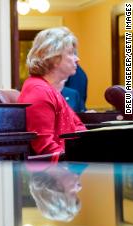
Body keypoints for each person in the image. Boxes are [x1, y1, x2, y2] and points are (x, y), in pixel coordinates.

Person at [18, 27, 86, 156]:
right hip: (56, 173)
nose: (77, 59)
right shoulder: (39, 91)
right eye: (71, 53)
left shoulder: (49, 89)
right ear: (54, 58)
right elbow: (46, 147)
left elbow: (78, 128)